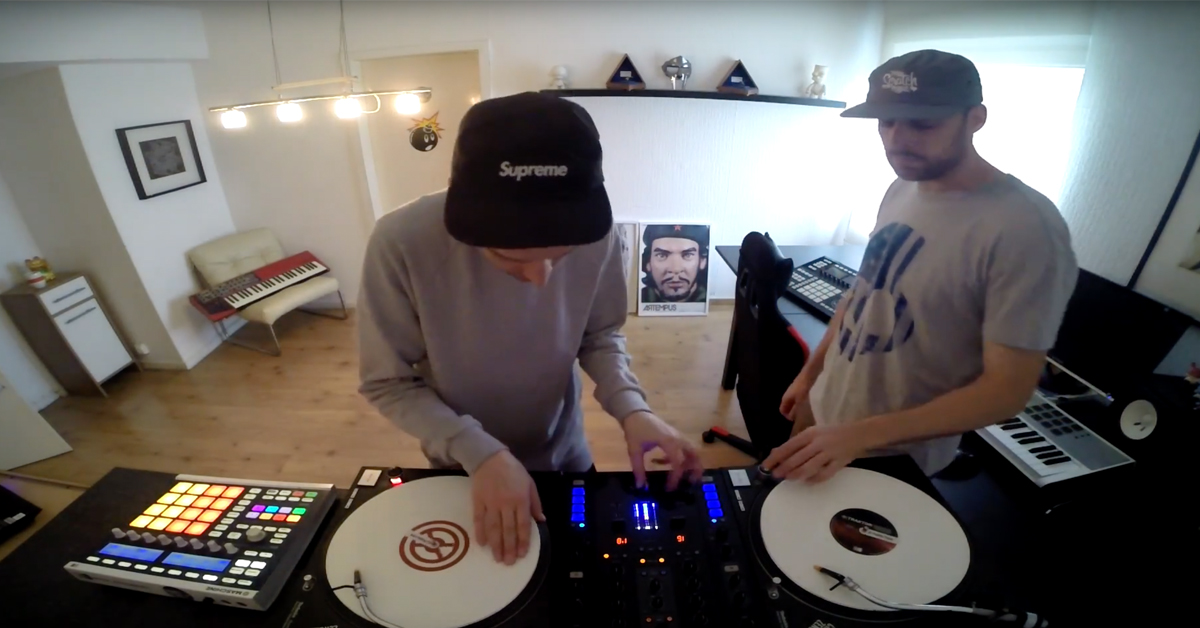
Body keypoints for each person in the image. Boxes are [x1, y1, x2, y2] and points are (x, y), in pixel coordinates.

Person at [358, 92, 702, 566]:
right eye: (510, 259)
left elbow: (599, 335)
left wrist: (633, 409)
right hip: (459, 464)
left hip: (565, 455)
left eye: (561, 257)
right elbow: (387, 381)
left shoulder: (597, 233)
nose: (541, 280)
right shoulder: (400, 242)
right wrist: (479, 452)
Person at [763, 50, 1078, 482]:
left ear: (976, 119)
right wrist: (811, 377)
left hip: (894, 455)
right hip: (824, 415)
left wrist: (858, 435)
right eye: (886, 122)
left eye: (923, 124)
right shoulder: (902, 187)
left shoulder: (1026, 229)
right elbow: (860, 298)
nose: (898, 140)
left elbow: (1007, 391)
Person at [640, 224, 709, 303]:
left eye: (688, 255)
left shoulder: (709, 302)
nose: (675, 269)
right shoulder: (634, 300)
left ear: (702, 261)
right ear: (648, 262)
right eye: (661, 255)